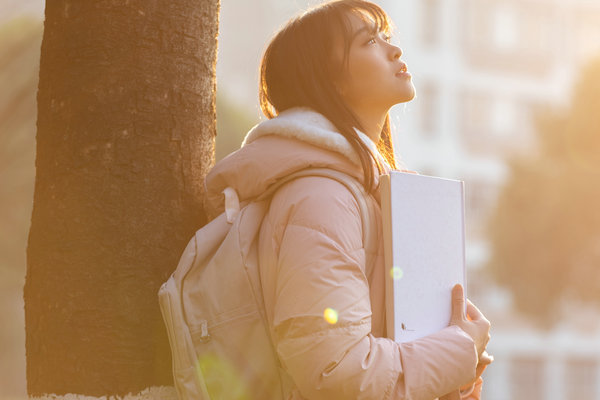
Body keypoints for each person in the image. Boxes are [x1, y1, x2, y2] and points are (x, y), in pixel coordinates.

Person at [204, 0, 492, 398]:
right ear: (328, 78)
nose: (394, 50)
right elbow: (336, 375)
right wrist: (460, 347)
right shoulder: (320, 198)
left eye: (387, 37)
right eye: (369, 41)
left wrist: (456, 375)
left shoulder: (374, 193)